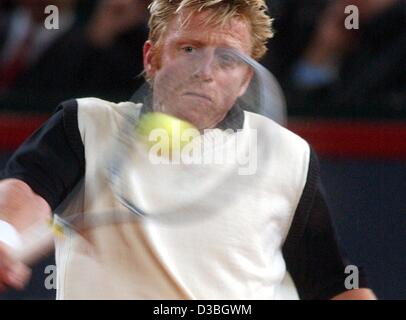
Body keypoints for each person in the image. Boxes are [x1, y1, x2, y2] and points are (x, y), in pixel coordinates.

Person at [0, 0, 376, 299]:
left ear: (247, 79)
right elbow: (24, 192)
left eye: (228, 58)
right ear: (152, 58)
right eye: (190, 48)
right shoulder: (86, 123)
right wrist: (5, 235)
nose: (205, 70)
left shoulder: (288, 154)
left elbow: (330, 287)